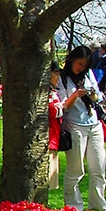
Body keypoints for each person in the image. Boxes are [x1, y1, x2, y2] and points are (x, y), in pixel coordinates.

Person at [59, 45, 106, 211]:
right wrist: (75, 95)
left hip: (93, 123)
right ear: (72, 59)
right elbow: (64, 105)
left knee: (98, 168)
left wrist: (91, 93)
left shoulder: (88, 75)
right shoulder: (63, 78)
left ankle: (99, 206)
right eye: (79, 64)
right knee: (76, 169)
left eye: (84, 65)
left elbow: (98, 97)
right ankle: (74, 207)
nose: (81, 68)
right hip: (74, 125)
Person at [46, 64, 64, 199]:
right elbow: (54, 111)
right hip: (49, 135)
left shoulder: (53, 92)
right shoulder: (47, 93)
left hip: (55, 135)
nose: (58, 77)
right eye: (55, 73)